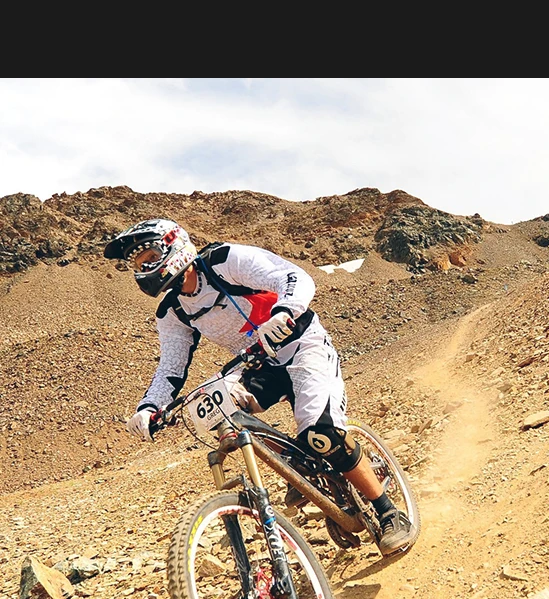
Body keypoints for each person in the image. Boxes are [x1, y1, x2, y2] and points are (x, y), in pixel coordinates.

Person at [104, 218, 413, 554]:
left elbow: (293, 277)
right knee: (219, 407)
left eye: (149, 257)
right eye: (137, 264)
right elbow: (171, 367)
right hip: (256, 364)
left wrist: (284, 312)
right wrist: (150, 407)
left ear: (172, 246)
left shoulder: (225, 261)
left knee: (320, 433)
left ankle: (388, 511)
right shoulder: (172, 311)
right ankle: (300, 468)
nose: (144, 268)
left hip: (301, 346)